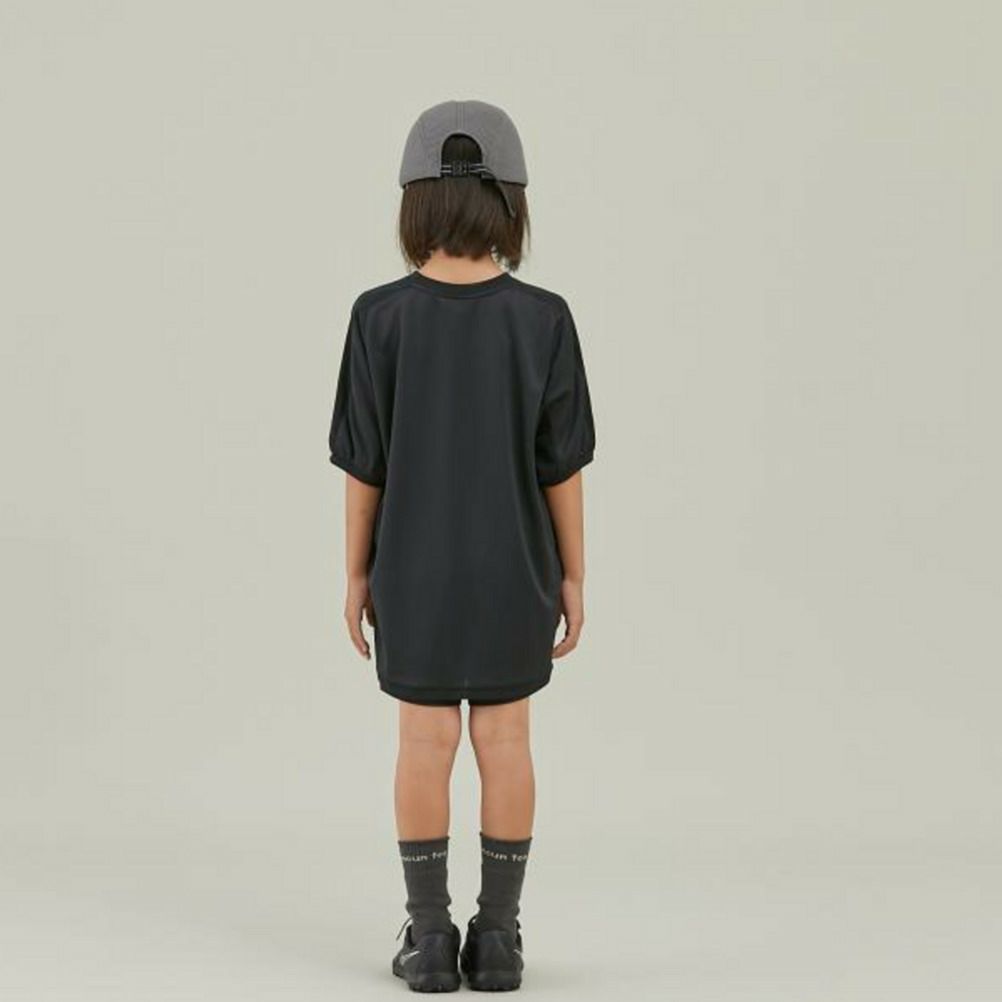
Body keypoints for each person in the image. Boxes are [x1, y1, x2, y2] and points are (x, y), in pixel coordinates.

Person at [328, 99, 596, 992]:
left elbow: (364, 464)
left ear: (415, 203)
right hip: (515, 565)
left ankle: (432, 936)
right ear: (511, 203)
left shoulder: (378, 317)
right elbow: (561, 465)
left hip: (414, 567)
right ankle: (501, 938)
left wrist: (356, 572)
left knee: (424, 739)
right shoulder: (545, 318)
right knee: (507, 738)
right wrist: (574, 575)